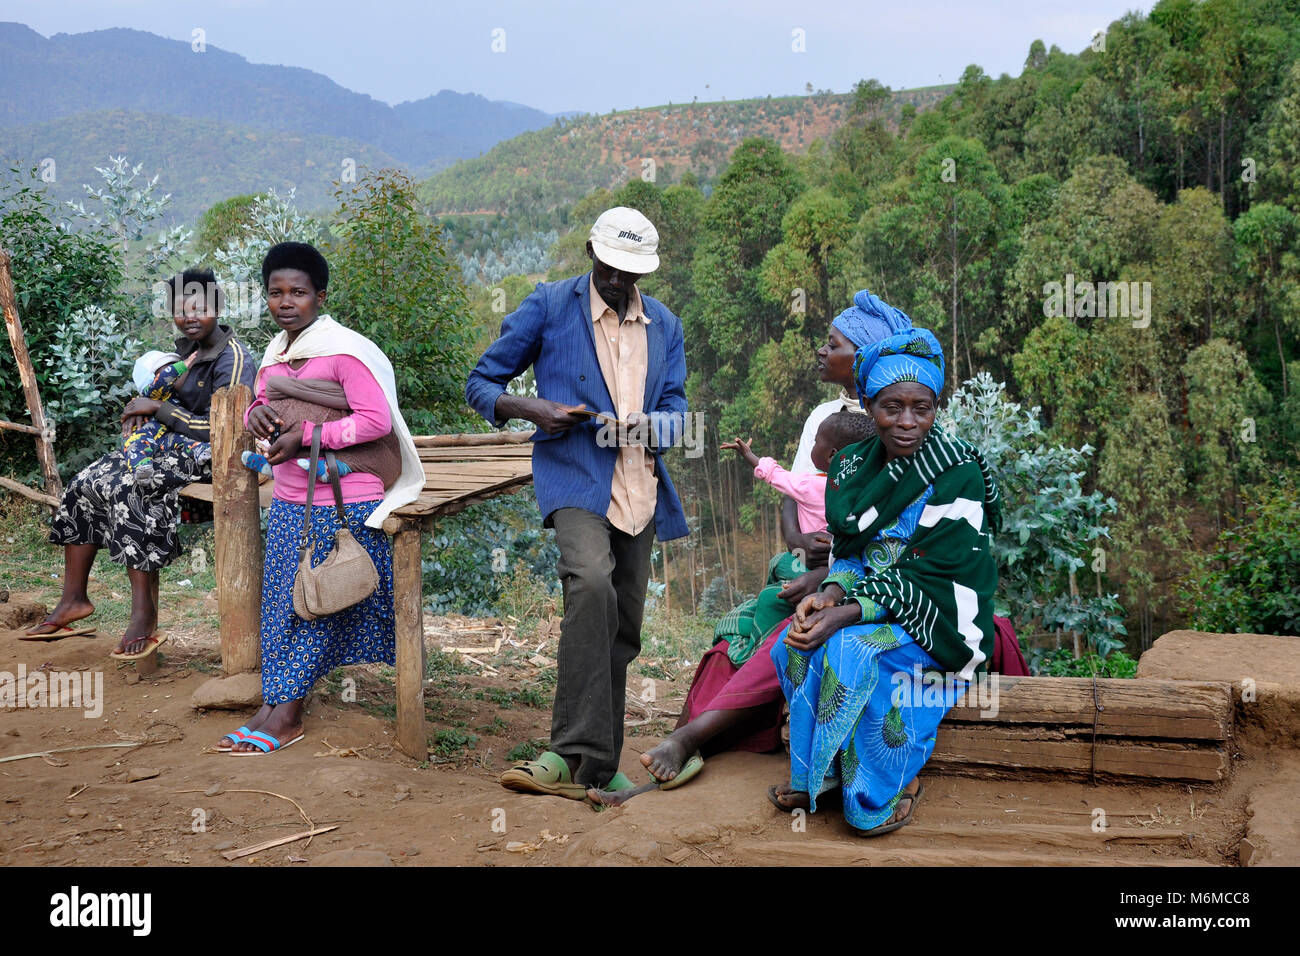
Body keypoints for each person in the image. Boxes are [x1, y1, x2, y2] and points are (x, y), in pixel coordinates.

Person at [620, 292, 911, 793]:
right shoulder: (829, 418)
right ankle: (690, 745)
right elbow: (795, 489)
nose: (821, 351)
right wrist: (805, 550)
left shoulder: (899, 428)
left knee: (790, 634)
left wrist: (829, 576)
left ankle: (694, 739)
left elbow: (891, 546)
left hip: (869, 584)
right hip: (830, 570)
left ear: (863, 357)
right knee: (739, 635)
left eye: (833, 343)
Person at [466, 206, 689, 798]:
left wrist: (651, 426)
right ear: (591, 253)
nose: (618, 282)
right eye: (610, 268)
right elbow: (480, 384)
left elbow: (678, 411)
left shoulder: (664, 325)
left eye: (631, 273)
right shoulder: (549, 306)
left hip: (639, 487)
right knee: (590, 583)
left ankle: (597, 767)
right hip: (574, 477)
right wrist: (534, 409)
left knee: (622, 625)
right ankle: (566, 751)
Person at [770, 327, 1001, 836]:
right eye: (892, 406)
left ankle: (878, 792)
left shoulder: (956, 470)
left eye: (923, 407)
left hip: (939, 612)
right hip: (867, 601)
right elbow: (850, 554)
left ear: (936, 407)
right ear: (869, 404)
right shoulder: (851, 466)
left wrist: (847, 612)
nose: (908, 422)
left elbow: (936, 567)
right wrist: (828, 594)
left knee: (851, 650)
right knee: (791, 646)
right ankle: (820, 775)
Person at [219, 241, 423, 755]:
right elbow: (264, 405)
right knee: (284, 605)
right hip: (291, 498)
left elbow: (375, 421)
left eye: (299, 292)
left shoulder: (346, 352)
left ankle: (286, 713)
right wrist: (253, 418)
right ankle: (273, 703)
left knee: (322, 603)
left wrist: (310, 437)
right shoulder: (274, 355)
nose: (286, 302)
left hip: (345, 501)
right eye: (275, 293)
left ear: (320, 297)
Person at [34, 269, 255, 658]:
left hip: (217, 459)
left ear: (218, 308)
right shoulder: (183, 354)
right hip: (171, 450)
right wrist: (143, 413)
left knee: (135, 488)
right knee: (86, 482)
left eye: (200, 307)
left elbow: (230, 430)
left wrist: (161, 409)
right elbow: (155, 399)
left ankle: (143, 614)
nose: (190, 316)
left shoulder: (232, 358)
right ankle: (74, 598)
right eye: (180, 309)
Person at [121, 351, 211, 486]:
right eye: (169, 368)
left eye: (175, 366)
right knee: (134, 444)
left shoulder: (179, 394)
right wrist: (182, 366)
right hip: (147, 435)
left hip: (168, 436)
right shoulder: (153, 392)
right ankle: (141, 467)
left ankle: (201, 451)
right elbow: (162, 381)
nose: (177, 374)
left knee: (182, 441)